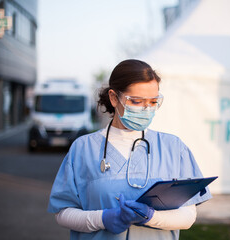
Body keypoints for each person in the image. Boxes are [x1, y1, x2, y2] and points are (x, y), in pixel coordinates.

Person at [48, 59, 212, 239]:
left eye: (152, 102)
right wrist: (102, 219)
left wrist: (150, 217)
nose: (146, 109)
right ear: (113, 98)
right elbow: (63, 214)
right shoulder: (83, 148)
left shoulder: (174, 148)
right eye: (136, 101)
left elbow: (188, 216)